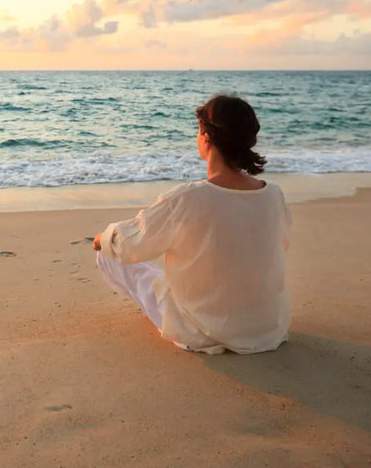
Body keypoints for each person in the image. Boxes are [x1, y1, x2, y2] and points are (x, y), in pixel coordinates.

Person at [93, 94, 291, 355]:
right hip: (266, 329)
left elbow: (127, 244)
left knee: (108, 252)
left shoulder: (186, 198)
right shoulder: (273, 194)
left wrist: (101, 239)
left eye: (199, 131)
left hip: (201, 331)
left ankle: (169, 315)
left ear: (207, 137)